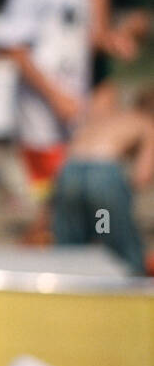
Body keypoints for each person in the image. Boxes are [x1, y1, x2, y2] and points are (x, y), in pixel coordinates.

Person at [0, 0, 109, 199]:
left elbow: (87, 42)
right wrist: (54, 95)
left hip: (73, 104)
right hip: (41, 107)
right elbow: (14, 48)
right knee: (47, 193)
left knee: (71, 188)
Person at [51, 84, 154, 274]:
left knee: (70, 248)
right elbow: (142, 176)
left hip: (68, 171)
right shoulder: (147, 123)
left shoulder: (113, 117)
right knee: (112, 244)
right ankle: (127, 293)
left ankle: (67, 291)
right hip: (102, 178)